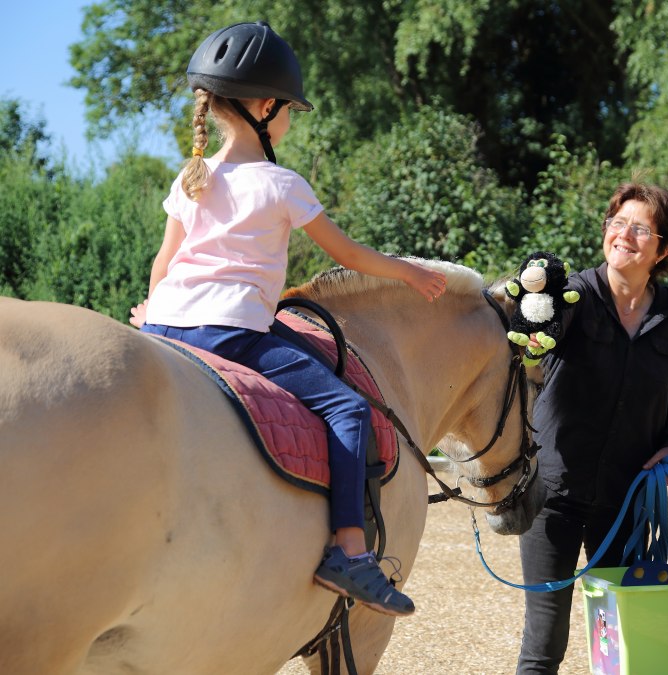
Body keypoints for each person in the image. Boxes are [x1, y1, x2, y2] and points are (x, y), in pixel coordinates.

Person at [130, 21, 447, 617]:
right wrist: (408, 273)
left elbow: (164, 262)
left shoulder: (191, 176)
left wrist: (151, 315)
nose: (289, 121)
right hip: (230, 329)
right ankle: (349, 552)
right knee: (348, 407)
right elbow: (349, 257)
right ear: (266, 107)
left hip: (167, 323)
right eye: (288, 111)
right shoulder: (281, 184)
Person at [515, 181, 668, 672]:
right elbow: (525, 342)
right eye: (617, 224)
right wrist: (531, 316)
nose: (624, 235)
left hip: (626, 503)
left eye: (640, 228)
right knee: (544, 641)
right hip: (551, 493)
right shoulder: (569, 296)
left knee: (623, 641)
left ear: (664, 249)